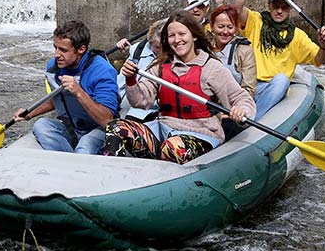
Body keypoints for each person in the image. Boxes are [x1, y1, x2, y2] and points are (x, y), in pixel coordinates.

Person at [103, 10, 256, 165]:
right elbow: (140, 101)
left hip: (201, 134)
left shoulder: (211, 68)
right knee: (115, 128)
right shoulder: (160, 66)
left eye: (182, 34)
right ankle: (116, 174)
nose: (177, 40)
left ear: (194, 35)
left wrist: (242, 110)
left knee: (172, 148)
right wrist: (131, 80)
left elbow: (241, 98)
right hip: (163, 130)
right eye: (172, 36)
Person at [233, 0, 325, 121]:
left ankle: (252, 121)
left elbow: (320, 60)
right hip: (247, 83)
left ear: (290, 10)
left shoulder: (298, 36)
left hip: (273, 88)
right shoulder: (256, 21)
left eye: (284, 7)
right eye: (276, 6)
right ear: (269, 6)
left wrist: (324, 47)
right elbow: (236, 9)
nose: (279, 11)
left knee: (281, 80)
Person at [14, 20, 119, 154]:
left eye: (63, 50)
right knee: (40, 125)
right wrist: (30, 113)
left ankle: (76, 162)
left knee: (85, 146)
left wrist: (79, 92)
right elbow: (56, 99)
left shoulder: (103, 71)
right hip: (72, 128)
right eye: (55, 47)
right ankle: (68, 160)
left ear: (81, 49)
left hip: (99, 130)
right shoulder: (54, 67)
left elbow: (107, 120)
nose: (56, 54)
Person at [209, 4, 257, 140]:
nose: (225, 32)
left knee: (229, 127)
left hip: (233, 108)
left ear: (235, 28)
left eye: (230, 27)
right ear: (212, 26)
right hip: (209, 107)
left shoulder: (244, 50)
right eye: (220, 27)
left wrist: (236, 110)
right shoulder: (203, 48)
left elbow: (249, 88)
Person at [114, 19, 165, 122]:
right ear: (150, 43)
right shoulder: (139, 49)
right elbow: (120, 81)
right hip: (121, 105)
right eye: (157, 47)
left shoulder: (173, 60)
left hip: (147, 113)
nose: (162, 51)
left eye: (165, 46)